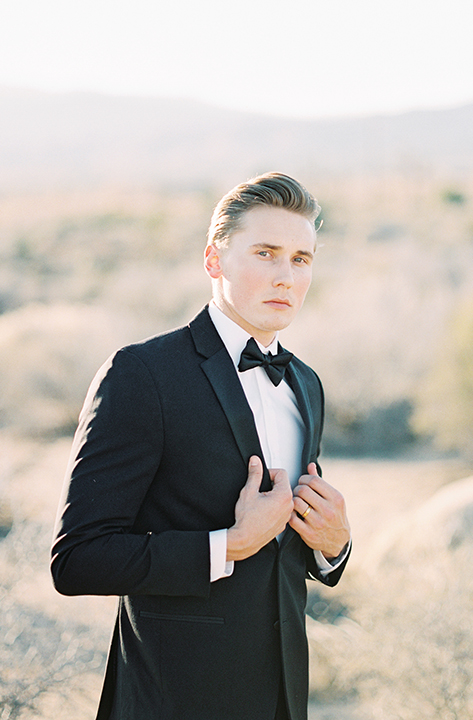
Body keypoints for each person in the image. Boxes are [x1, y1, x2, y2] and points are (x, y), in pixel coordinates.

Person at [51, 172, 351, 720]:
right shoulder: (142, 374)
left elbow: (290, 547)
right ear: (214, 260)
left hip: (284, 698)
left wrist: (334, 547)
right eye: (266, 253)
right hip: (171, 699)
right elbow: (76, 559)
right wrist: (227, 545)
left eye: (301, 259)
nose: (286, 276)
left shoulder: (306, 383)